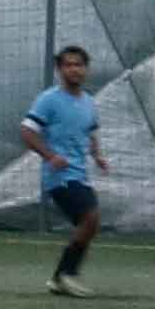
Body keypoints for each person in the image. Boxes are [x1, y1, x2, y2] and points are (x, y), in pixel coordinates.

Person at [22, 45, 107, 296]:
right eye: (68, 65)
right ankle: (66, 274)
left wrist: (97, 156)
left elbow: (90, 132)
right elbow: (27, 131)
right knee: (90, 218)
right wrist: (50, 156)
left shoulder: (89, 102)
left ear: (86, 69)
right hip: (59, 176)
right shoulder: (48, 99)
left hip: (79, 174)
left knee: (90, 223)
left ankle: (60, 277)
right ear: (59, 70)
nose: (74, 69)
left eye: (78, 64)